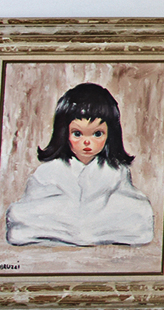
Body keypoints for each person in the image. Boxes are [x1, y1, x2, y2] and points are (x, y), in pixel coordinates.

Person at [5, 80, 155, 246]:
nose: (87, 142)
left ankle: (81, 228)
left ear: (110, 135)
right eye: (78, 133)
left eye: (97, 134)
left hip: (100, 220)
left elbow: (133, 210)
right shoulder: (47, 171)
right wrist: (66, 210)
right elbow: (28, 211)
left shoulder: (117, 171)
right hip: (62, 220)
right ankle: (82, 228)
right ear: (64, 133)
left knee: (138, 211)